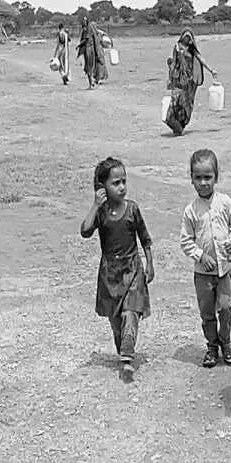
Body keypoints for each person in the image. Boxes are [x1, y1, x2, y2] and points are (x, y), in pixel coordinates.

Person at [80, 157, 155, 382]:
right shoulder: (101, 213)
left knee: (131, 313)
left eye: (124, 181)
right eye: (115, 183)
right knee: (116, 321)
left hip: (132, 269)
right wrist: (95, 205)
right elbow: (84, 231)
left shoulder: (132, 209)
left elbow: (145, 238)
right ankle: (123, 351)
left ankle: (127, 359)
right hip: (110, 273)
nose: (121, 187)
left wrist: (149, 264)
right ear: (102, 187)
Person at [180, 149, 231, 368]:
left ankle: (226, 342)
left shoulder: (225, 203)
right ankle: (212, 346)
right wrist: (200, 255)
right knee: (207, 313)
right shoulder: (191, 211)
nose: (203, 182)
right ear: (191, 179)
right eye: (198, 178)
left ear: (216, 177)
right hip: (202, 275)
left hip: (223, 271)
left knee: (226, 308)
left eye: (208, 177)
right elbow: (185, 241)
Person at [165, 29, 217, 135]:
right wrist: (171, 73)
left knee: (187, 104)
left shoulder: (192, 49)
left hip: (190, 82)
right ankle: (174, 123)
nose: (187, 39)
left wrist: (211, 70)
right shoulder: (177, 47)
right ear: (182, 37)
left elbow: (201, 59)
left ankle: (181, 126)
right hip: (179, 80)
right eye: (186, 37)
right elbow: (174, 63)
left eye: (189, 37)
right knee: (176, 101)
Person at [76, 17, 109, 89]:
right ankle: (92, 82)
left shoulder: (89, 31)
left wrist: (79, 45)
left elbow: (86, 39)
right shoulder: (89, 31)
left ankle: (92, 83)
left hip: (90, 50)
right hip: (91, 50)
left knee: (90, 67)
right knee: (89, 67)